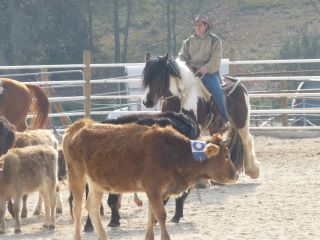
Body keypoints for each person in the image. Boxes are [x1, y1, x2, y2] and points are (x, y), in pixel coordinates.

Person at [178, 14, 229, 130]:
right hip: (191, 72)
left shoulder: (215, 40)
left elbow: (215, 59)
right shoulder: (188, 42)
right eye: (196, 25)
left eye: (200, 25)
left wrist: (205, 69)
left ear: (206, 26)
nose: (197, 27)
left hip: (209, 73)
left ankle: (224, 119)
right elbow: (182, 57)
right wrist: (187, 67)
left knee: (217, 90)